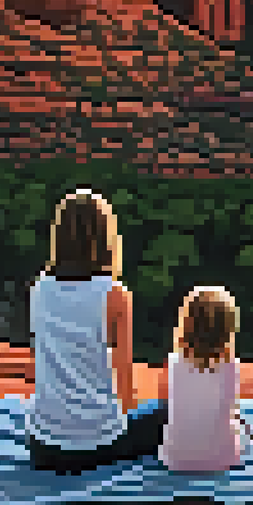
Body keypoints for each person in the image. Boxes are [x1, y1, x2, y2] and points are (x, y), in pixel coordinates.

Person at [24, 189, 168, 475]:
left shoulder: (39, 288)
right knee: (168, 413)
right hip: (98, 447)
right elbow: (125, 390)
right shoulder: (115, 294)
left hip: (43, 448)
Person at [158, 285, 253, 472]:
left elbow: (167, 404)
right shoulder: (230, 364)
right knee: (244, 428)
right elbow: (229, 408)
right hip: (223, 461)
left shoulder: (173, 361)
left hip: (176, 461)